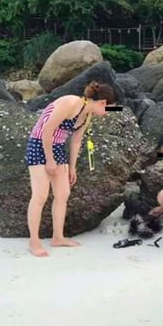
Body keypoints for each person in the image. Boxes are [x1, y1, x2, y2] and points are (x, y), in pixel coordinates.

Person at [26, 81, 116, 257]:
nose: (108, 113)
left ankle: (58, 237)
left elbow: (76, 141)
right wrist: (49, 160)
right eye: (109, 109)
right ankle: (34, 241)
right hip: (39, 144)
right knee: (40, 195)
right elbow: (47, 130)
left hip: (58, 147)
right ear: (103, 102)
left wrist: (72, 167)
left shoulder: (87, 115)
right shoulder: (71, 102)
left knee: (63, 194)